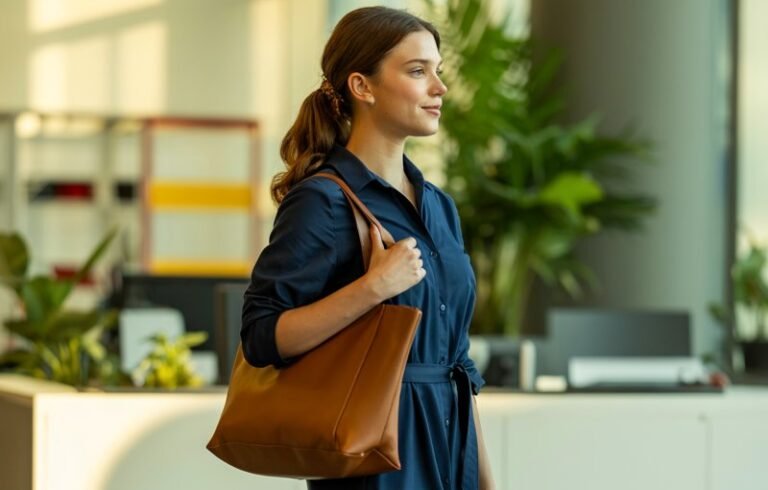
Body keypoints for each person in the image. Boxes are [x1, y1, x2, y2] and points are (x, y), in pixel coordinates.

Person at [240, 6, 495, 490]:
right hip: (376, 462)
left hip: (450, 449)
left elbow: (458, 362)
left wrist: (486, 483)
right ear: (363, 86)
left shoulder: (440, 208)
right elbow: (261, 336)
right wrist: (373, 287)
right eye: (418, 71)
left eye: (437, 72)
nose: (439, 88)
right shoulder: (323, 200)